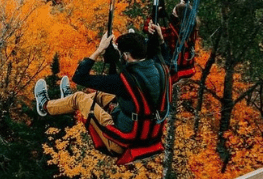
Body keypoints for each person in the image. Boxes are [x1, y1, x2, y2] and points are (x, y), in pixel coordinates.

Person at [34, 32, 166, 156]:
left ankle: (45, 106)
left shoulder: (123, 82)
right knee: (102, 95)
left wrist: (99, 50)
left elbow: (80, 77)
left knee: (79, 97)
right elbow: (161, 54)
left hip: (121, 140)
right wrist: (159, 38)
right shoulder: (158, 69)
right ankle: (66, 102)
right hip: (146, 132)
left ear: (126, 56)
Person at [147, 2, 199, 83]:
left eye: (173, 13)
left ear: (179, 17)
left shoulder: (173, 33)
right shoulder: (191, 30)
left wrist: (153, 16)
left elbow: (151, 31)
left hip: (173, 72)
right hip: (187, 69)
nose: (171, 15)